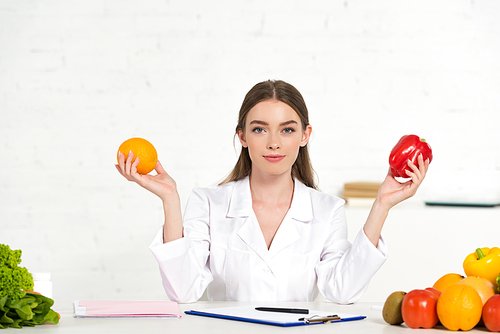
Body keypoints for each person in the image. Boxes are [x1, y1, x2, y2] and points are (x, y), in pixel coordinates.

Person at [116, 80, 429, 304]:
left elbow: (343, 291)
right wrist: (170, 198)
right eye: (259, 129)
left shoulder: (327, 210)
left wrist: (382, 205)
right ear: (242, 136)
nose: (274, 143)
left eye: (288, 129)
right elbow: (183, 291)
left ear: (305, 135)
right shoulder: (209, 203)